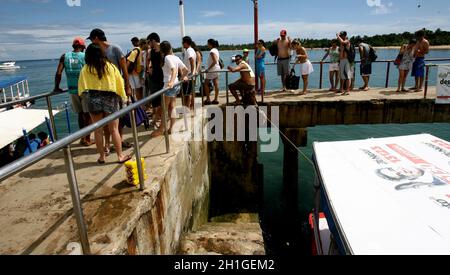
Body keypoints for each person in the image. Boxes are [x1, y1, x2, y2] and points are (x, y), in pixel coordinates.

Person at [78, 44, 132, 164]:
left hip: (93, 98)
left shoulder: (86, 69)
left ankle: (102, 157)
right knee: (114, 129)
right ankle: (120, 156)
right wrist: (123, 96)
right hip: (110, 98)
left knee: (98, 130)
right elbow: (119, 82)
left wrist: (84, 97)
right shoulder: (111, 67)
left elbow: (81, 88)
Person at [87, 29, 133, 152]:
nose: (91, 42)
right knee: (107, 120)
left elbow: (124, 69)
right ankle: (107, 144)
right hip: (102, 90)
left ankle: (119, 140)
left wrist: (127, 86)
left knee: (118, 118)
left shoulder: (115, 49)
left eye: (91, 39)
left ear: (96, 38)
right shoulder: (96, 52)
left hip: (116, 89)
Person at [53, 37, 94, 146]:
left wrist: (56, 87)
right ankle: (87, 139)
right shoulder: (85, 56)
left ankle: (82, 138)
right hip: (85, 89)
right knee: (88, 114)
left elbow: (58, 73)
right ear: (83, 47)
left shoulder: (64, 56)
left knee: (80, 114)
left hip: (72, 89)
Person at [151, 41, 188, 137]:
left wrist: (171, 81)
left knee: (164, 108)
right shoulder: (176, 57)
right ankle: (172, 128)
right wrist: (182, 77)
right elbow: (186, 69)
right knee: (172, 107)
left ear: (162, 50)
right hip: (176, 85)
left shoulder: (167, 58)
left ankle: (161, 129)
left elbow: (174, 70)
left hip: (169, 85)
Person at [147, 33, 164, 127]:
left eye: (149, 42)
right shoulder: (151, 51)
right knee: (155, 100)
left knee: (163, 100)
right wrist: (149, 69)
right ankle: (157, 119)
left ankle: (159, 119)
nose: (148, 44)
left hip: (163, 78)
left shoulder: (163, 48)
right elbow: (148, 60)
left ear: (153, 40)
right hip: (154, 78)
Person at [182, 36, 197, 110]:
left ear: (186, 43)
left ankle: (186, 109)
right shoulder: (191, 50)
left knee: (186, 94)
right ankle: (188, 108)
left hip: (188, 76)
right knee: (189, 93)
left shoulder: (189, 50)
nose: (182, 44)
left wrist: (192, 72)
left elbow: (191, 60)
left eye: (183, 43)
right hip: (189, 76)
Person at [204, 39, 221, 105]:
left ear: (210, 44)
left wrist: (208, 69)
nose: (207, 45)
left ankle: (208, 99)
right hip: (216, 69)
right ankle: (216, 99)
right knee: (216, 83)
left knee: (206, 83)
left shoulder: (212, 51)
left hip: (212, 70)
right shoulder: (216, 50)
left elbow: (214, 61)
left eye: (208, 43)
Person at [336, 31, 352, 96]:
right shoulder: (342, 43)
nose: (340, 36)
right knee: (342, 76)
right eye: (340, 35)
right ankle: (341, 89)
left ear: (344, 35)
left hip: (346, 60)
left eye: (341, 35)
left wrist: (337, 36)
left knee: (347, 76)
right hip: (341, 60)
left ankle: (347, 90)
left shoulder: (347, 41)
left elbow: (342, 42)